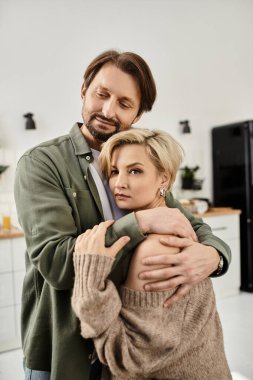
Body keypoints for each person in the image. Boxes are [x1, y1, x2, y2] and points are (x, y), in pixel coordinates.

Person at [14, 50, 231, 380]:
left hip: (122, 344)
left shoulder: (140, 158)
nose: (108, 110)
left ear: (138, 114)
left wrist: (215, 256)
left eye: (125, 104)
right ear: (84, 90)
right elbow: (55, 264)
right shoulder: (41, 163)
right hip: (64, 351)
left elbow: (191, 224)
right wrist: (140, 222)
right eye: (102, 94)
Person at [72, 128, 232, 379]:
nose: (119, 183)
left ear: (163, 179)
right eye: (114, 171)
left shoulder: (156, 247)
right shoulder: (176, 226)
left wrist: (89, 281)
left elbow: (129, 360)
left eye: (135, 170)